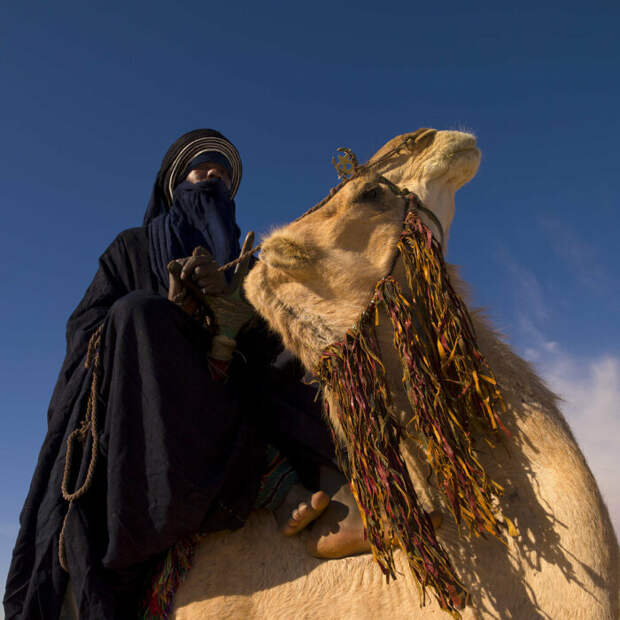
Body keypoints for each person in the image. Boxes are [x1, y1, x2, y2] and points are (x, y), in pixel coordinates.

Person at [4, 129, 369, 620]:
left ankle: (346, 474)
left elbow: (266, 337)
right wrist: (174, 315)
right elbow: (86, 329)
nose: (211, 183)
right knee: (136, 315)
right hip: (150, 391)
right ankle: (269, 482)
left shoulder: (246, 260)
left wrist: (234, 306)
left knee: (293, 323)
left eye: (221, 177)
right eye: (202, 173)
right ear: (176, 184)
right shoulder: (129, 250)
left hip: (236, 379)